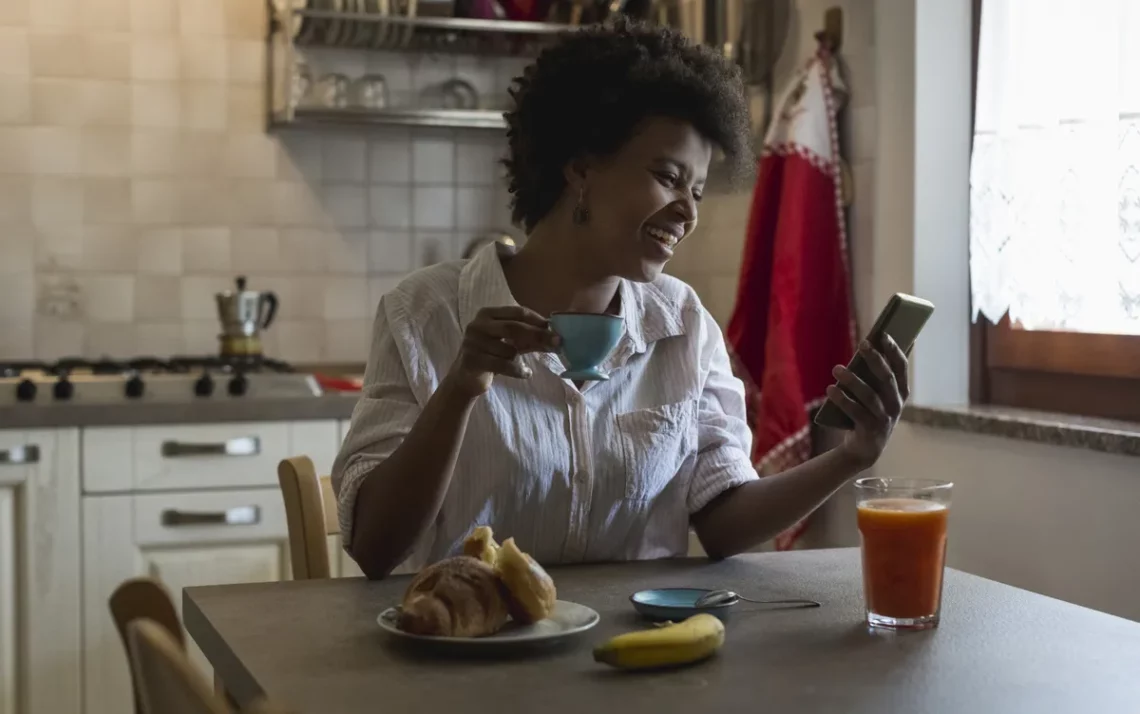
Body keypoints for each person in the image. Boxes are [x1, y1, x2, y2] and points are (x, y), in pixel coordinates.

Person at [332, 18, 910, 579]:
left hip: (638, 658)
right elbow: (376, 549)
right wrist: (459, 389)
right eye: (668, 176)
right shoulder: (426, 313)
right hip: (469, 654)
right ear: (581, 169)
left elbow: (723, 521)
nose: (689, 211)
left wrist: (851, 457)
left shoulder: (684, 323)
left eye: (698, 190)